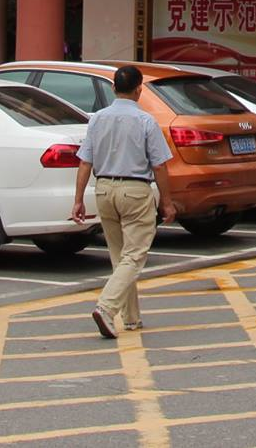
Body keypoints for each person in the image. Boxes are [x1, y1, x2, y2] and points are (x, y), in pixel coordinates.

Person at [69, 64, 177, 339]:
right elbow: (160, 165)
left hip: (104, 189)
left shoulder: (97, 119)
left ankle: (131, 318)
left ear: (113, 87)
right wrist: (167, 202)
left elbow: (85, 162)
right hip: (135, 190)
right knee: (134, 255)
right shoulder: (145, 121)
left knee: (120, 258)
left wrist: (78, 199)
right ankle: (106, 308)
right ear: (139, 90)